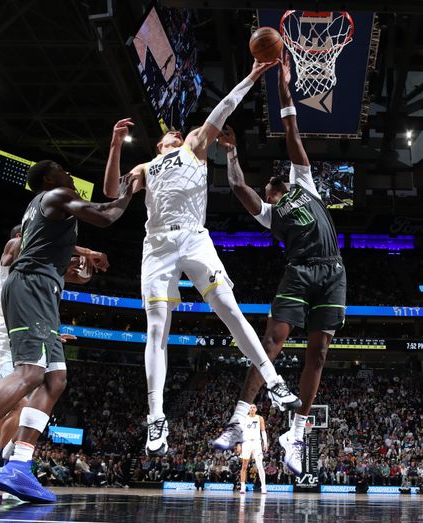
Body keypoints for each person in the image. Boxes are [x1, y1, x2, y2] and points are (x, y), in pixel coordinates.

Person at [103, 59, 300, 456]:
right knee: (157, 328)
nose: (175, 132)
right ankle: (156, 419)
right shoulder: (147, 165)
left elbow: (223, 108)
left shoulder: (194, 145)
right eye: (167, 134)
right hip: (156, 246)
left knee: (230, 310)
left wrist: (253, 74)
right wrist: (113, 145)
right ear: (159, 144)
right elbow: (111, 192)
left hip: (194, 239)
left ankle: (274, 381)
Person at [0, 159, 134, 503]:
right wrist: (126, 193)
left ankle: (18, 464)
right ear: (50, 179)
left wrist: (83, 262)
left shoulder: (44, 217)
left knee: (55, 378)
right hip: (29, 291)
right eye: (65, 172)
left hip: (42, 292)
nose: (71, 177)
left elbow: (68, 269)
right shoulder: (57, 196)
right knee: (30, 374)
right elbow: (106, 216)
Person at [212, 52, 346, 475]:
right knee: (272, 341)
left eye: (278, 178)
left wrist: (284, 83)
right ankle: (238, 418)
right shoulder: (270, 213)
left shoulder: (305, 183)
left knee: (320, 352)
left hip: (333, 271)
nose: (277, 181)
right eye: (273, 183)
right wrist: (231, 153)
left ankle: (297, 432)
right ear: (271, 191)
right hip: (300, 270)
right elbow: (236, 185)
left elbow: (291, 127)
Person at [237, 405, 267, 494]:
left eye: (254, 407)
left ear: (256, 409)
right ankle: (242, 487)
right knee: (244, 466)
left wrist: (265, 443)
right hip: (246, 443)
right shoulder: (244, 418)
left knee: (260, 465)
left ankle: (263, 487)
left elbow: (263, 431)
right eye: (250, 407)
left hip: (257, 443)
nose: (252, 409)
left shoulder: (260, 418)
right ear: (248, 409)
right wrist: (239, 444)